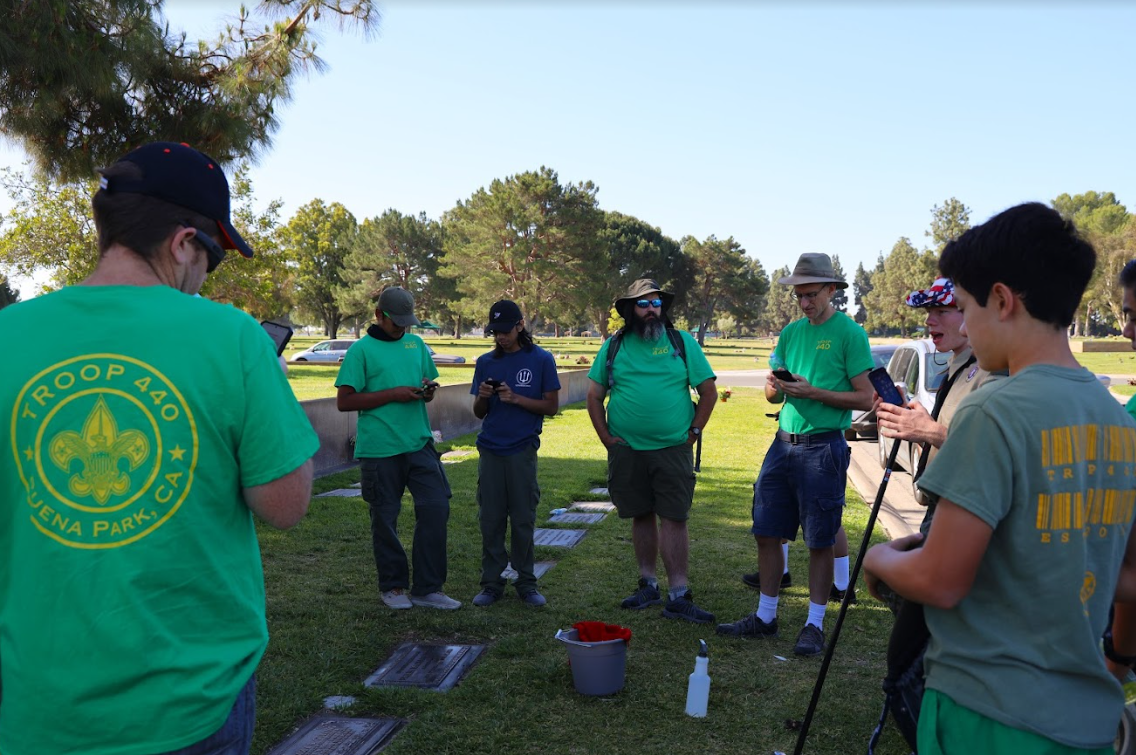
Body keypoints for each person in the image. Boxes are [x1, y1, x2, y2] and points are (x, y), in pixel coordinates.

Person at [0, 141, 319, 755]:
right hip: (189, 699)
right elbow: (285, 505)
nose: (206, 276)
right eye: (215, 258)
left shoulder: (6, 334)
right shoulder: (232, 337)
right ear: (183, 243)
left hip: (36, 701)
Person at [863, 203, 1136, 754]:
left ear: (1002, 300)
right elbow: (1126, 576)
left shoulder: (993, 411)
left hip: (987, 713)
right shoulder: (1117, 417)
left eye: (964, 306)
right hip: (1081, 723)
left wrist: (880, 561)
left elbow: (941, 581)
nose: (963, 324)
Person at [717, 253, 874, 657]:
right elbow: (772, 393)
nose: (804, 303)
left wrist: (814, 393)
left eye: (811, 295)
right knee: (767, 530)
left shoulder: (850, 334)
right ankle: (766, 617)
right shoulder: (790, 334)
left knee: (820, 539)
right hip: (782, 443)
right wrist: (775, 385)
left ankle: (813, 625)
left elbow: (866, 397)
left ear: (832, 291)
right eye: (798, 297)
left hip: (824, 447)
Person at [586, 278, 718, 624]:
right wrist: (605, 437)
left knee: (674, 516)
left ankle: (679, 594)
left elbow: (708, 391)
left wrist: (694, 430)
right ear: (630, 310)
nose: (650, 309)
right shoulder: (614, 347)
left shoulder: (681, 342)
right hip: (627, 450)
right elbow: (594, 396)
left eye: (656, 303)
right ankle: (647, 584)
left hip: (673, 448)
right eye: (643, 304)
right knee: (640, 514)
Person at [335, 287, 460, 610]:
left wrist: (427, 391)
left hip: (418, 442)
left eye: (406, 323)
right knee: (385, 518)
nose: (402, 328)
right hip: (379, 448)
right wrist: (393, 394)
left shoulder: (415, 344)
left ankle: (428, 588)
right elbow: (344, 401)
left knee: (436, 507)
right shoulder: (360, 351)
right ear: (379, 315)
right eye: (395, 323)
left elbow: (427, 382)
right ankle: (393, 587)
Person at [876, 277, 1000, 535]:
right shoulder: (957, 366)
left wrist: (927, 431)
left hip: (966, 512)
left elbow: (991, 452)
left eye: (942, 311)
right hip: (942, 505)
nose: (929, 321)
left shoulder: (993, 370)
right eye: (928, 312)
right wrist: (909, 420)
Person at [469, 300, 560, 607]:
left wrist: (515, 398)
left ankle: (526, 582)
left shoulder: (542, 360)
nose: (500, 338)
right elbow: (479, 412)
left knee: (522, 518)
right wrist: (483, 397)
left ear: (520, 325)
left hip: (522, 449)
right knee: (491, 519)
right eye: (494, 332)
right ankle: (491, 583)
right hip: (490, 449)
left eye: (505, 331)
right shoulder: (486, 362)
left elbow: (551, 406)